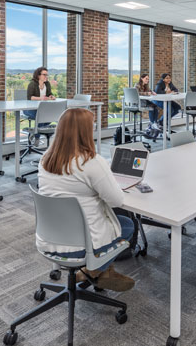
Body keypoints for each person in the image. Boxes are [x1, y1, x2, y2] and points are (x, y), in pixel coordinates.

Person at [37, 108, 135, 291]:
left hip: (49, 238)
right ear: (85, 132)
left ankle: (101, 272)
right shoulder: (92, 162)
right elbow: (116, 201)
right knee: (128, 225)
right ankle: (95, 270)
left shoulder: (45, 159)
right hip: (80, 244)